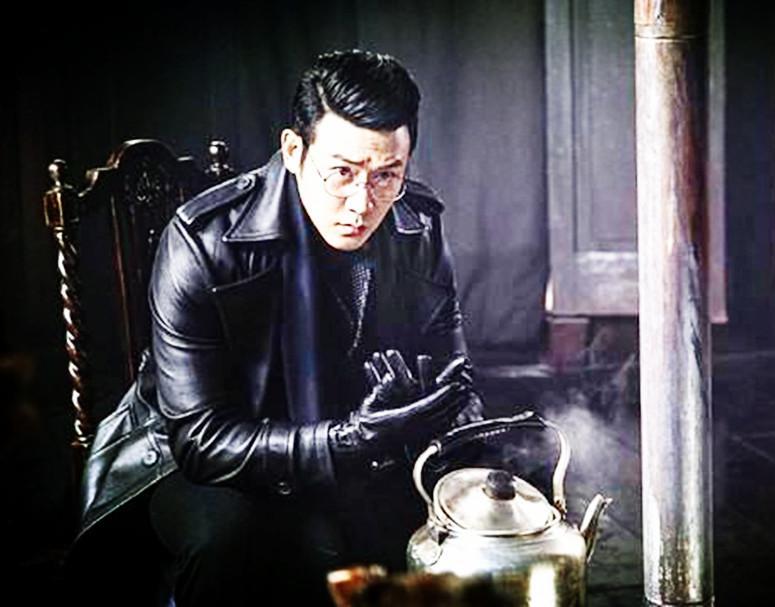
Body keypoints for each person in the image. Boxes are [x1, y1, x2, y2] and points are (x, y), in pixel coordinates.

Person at [68, 49, 484, 606]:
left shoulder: (418, 225)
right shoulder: (204, 240)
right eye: (341, 172)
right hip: (196, 461)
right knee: (242, 543)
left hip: (354, 443)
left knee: (469, 526)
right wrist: (350, 439)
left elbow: (456, 382)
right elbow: (201, 440)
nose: (361, 203)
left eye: (387, 176)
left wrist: (435, 418)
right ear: (293, 151)